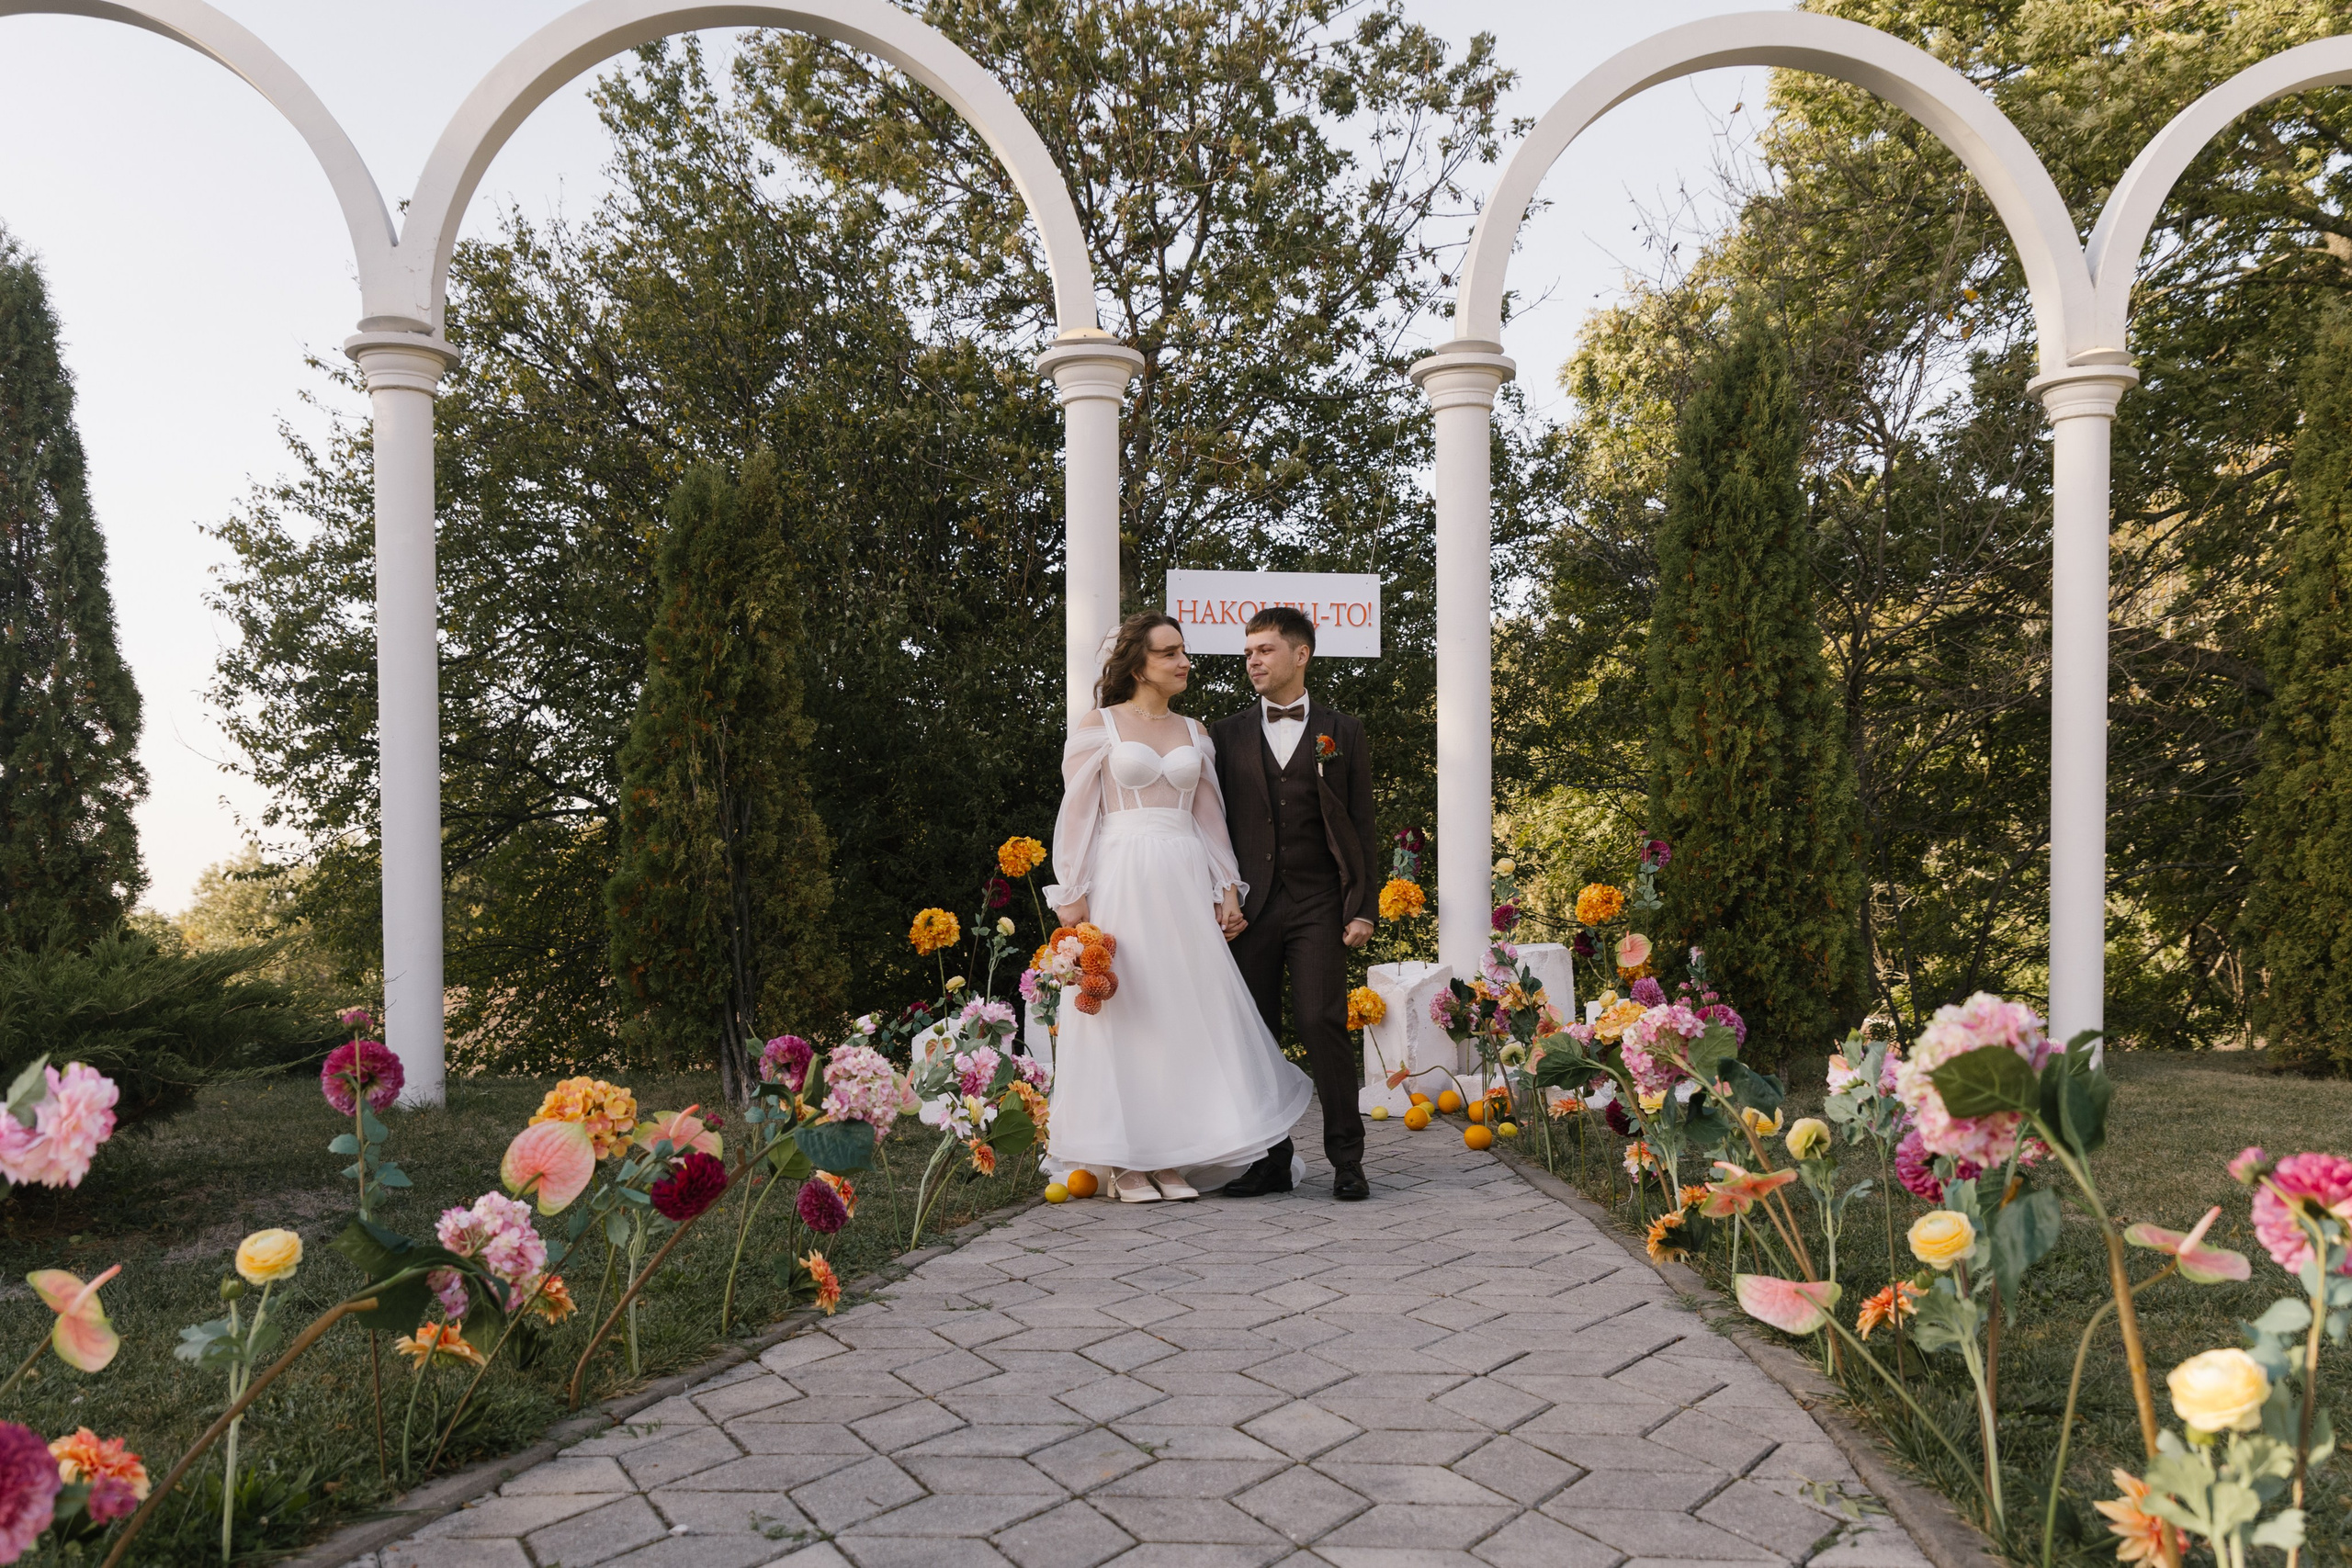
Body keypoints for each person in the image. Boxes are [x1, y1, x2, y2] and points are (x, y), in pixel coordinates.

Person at [1041, 611, 1314, 1202]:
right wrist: (1072, 895)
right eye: (1170, 653)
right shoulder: (1101, 726)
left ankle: (1173, 1157)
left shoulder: (1196, 732)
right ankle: (1127, 1162)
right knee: (1129, 1012)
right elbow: (1077, 817)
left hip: (1183, 879)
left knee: (1181, 1013)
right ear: (1139, 664)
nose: (1184, 661)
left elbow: (1210, 818)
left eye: (1183, 651)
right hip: (1122, 877)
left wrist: (1228, 888)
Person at [1210, 606, 1380, 1201]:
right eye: (1248, 650)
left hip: (1317, 900)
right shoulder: (1225, 732)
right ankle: (1271, 1160)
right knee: (1255, 1032)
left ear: (1300, 654)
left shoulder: (1343, 730)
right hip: (1250, 907)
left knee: (1320, 1020)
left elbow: (1362, 823)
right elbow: (1212, 825)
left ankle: (1347, 1158)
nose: (1252, 660)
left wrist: (1364, 907)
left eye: (1264, 649)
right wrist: (1217, 893)